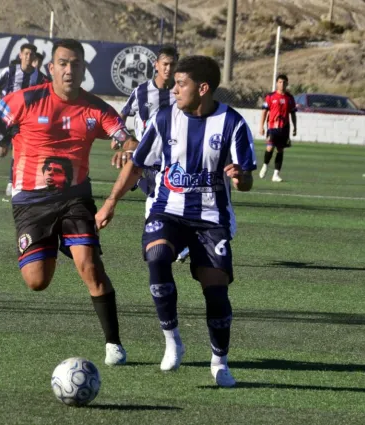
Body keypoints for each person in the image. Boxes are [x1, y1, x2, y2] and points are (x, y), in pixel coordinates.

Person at [0, 38, 138, 366]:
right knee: (37, 281)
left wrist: (128, 149)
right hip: (31, 202)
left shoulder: (96, 108)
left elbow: (126, 139)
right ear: (51, 68)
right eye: (63, 63)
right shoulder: (26, 99)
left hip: (75, 198)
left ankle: (114, 343)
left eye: (75, 64)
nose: (69, 70)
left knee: (89, 267)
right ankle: (52, 243)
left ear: (84, 69)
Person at [96, 55, 257, 387]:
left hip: (211, 219)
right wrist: (110, 202)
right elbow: (137, 164)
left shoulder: (233, 123)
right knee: (157, 256)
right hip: (167, 210)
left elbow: (246, 179)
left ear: (203, 88)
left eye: (181, 84)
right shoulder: (164, 118)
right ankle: (172, 341)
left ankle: (219, 361)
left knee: (216, 293)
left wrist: (241, 178)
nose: (174, 89)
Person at [119, 44, 190, 263]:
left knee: (162, 201)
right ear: (156, 65)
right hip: (147, 157)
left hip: (173, 158)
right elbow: (122, 115)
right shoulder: (141, 91)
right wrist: (122, 139)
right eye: (165, 64)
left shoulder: (181, 93)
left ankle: (163, 244)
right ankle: (169, 243)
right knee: (156, 199)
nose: (168, 68)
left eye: (172, 64)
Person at [0, 43, 48, 197]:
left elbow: (48, 93)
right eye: (26, 53)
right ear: (20, 55)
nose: (28, 57)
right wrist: (2, 104)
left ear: (34, 57)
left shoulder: (40, 77)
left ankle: (11, 183)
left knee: (18, 151)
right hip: (8, 117)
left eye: (31, 54)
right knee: (1, 153)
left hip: (25, 120)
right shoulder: (9, 71)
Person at [258, 74, 297, 182]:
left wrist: (295, 127)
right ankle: (265, 165)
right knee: (270, 147)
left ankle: (276, 174)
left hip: (284, 127)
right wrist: (261, 126)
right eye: (280, 82)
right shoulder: (270, 96)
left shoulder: (290, 98)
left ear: (287, 84)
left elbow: (293, 113)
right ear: (276, 83)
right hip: (272, 126)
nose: (282, 84)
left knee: (280, 150)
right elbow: (264, 112)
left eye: (284, 82)